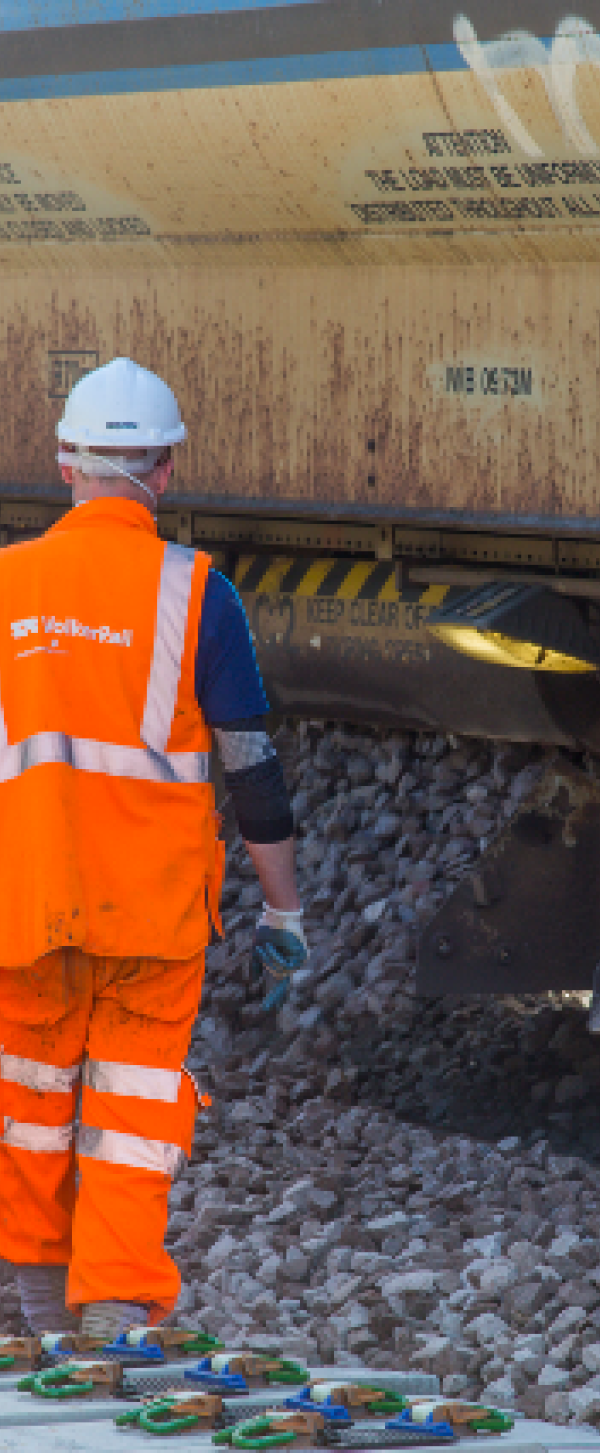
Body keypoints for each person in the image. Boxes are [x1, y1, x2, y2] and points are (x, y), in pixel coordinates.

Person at [0, 356, 306, 1344]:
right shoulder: (197, 595)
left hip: (26, 903)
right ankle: (114, 1311)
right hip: (154, 915)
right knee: (132, 1118)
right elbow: (253, 770)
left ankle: (39, 1310)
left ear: (62, 465)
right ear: (164, 472)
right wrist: (282, 909)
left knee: (31, 1103)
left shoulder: (6, 587)